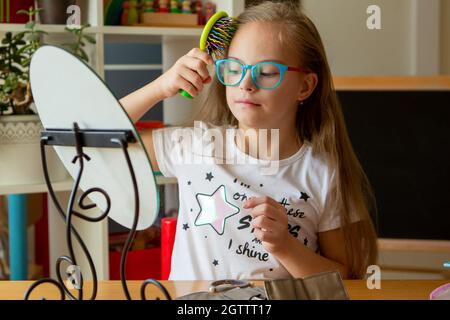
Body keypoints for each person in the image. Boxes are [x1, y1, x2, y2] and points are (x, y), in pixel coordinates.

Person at [120, 1, 378, 280]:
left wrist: (285, 247)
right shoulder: (193, 147)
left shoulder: (323, 174)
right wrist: (160, 87)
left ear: (305, 86)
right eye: (234, 68)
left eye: (266, 72)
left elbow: (349, 281)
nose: (246, 83)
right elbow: (86, 139)